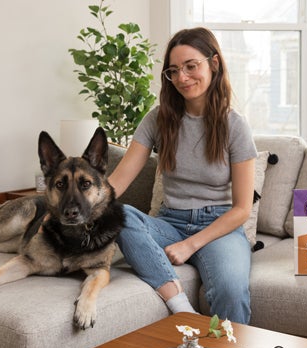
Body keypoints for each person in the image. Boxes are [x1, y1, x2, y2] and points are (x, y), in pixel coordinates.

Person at [107, 27, 256, 324]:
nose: (182, 78)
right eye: (173, 71)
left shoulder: (234, 125)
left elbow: (242, 209)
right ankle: (180, 305)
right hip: (170, 222)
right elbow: (118, 181)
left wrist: (191, 245)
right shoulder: (157, 119)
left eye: (191, 66)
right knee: (118, 215)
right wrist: (72, 210)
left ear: (213, 63)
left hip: (219, 227)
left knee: (230, 289)